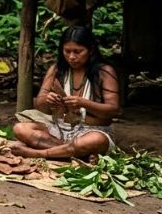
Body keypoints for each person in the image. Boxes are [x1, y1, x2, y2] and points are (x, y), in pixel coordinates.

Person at [9, 26, 120, 159]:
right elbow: (39, 105)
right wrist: (47, 99)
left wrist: (83, 103)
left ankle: (39, 153)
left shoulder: (104, 72)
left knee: (96, 140)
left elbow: (113, 110)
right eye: (67, 51)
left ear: (90, 50)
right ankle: (73, 152)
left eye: (78, 51)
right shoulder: (57, 69)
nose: (71, 57)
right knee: (20, 129)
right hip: (60, 128)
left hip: (93, 129)